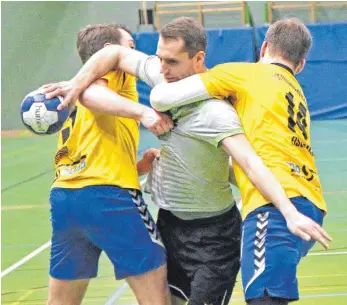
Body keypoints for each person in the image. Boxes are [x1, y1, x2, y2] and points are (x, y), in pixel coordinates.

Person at [43, 18, 331, 305]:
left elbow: (250, 163)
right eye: (159, 59)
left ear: (198, 59)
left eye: (171, 61)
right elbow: (113, 54)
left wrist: (288, 210)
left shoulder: (218, 110)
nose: (162, 69)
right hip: (171, 222)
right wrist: (75, 84)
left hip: (215, 235)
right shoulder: (164, 74)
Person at [145, 18, 332, 305]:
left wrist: (152, 114)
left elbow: (160, 98)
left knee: (264, 299)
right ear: (302, 64)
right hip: (311, 201)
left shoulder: (244, 74)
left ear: (264, 47)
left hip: (275, 206)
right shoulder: (294, 92)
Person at [45, 23, 173, 305]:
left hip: (66, 197)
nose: (134, 52)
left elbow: (88, 155)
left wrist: (139, 167)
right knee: (156, 295)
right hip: (110, 197)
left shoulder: (70, 92)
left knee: (62, 301)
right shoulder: (113, 75)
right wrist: (144, 113)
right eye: (129, 46)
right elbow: (93, 96)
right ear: (108, 52)